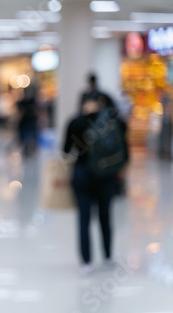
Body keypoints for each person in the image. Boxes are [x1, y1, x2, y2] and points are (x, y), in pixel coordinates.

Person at [63, 93, 126, 276]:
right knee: (105, 217)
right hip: (106, 175)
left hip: (82, 174)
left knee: (84, 219)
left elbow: (66, 150)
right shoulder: (109, 122)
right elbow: (123, 147)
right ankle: (108, 256)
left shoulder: (75, 122)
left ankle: (86, 262)